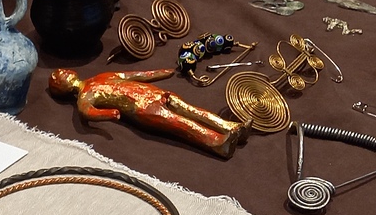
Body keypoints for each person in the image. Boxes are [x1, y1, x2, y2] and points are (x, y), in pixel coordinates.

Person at [48, 68, 244, 158]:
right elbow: (87, 112)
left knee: (192, 110)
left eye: (60, 71)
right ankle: (218, 143)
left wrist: (159, 73)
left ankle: (230, 127)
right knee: (180, 122)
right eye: (58, 77)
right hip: (142, 107)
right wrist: (109, 113)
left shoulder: (99, 77)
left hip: (153, 93)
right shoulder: (85, 95)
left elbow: (132, 75)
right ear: (62, 88)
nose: (61, 73)